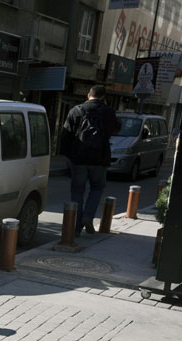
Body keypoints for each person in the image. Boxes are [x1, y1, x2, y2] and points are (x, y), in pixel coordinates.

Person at [59, 85, 119, 236]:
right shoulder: (109, 112)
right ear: (104, 97)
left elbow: (65, 136)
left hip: (79, 160)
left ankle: (75, 228)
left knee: (77, 192)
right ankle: (88, 217)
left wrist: (68, 156)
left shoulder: (76, 110)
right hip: (99, 159)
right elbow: (116, 129)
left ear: (88, 95)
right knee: (97, 188)